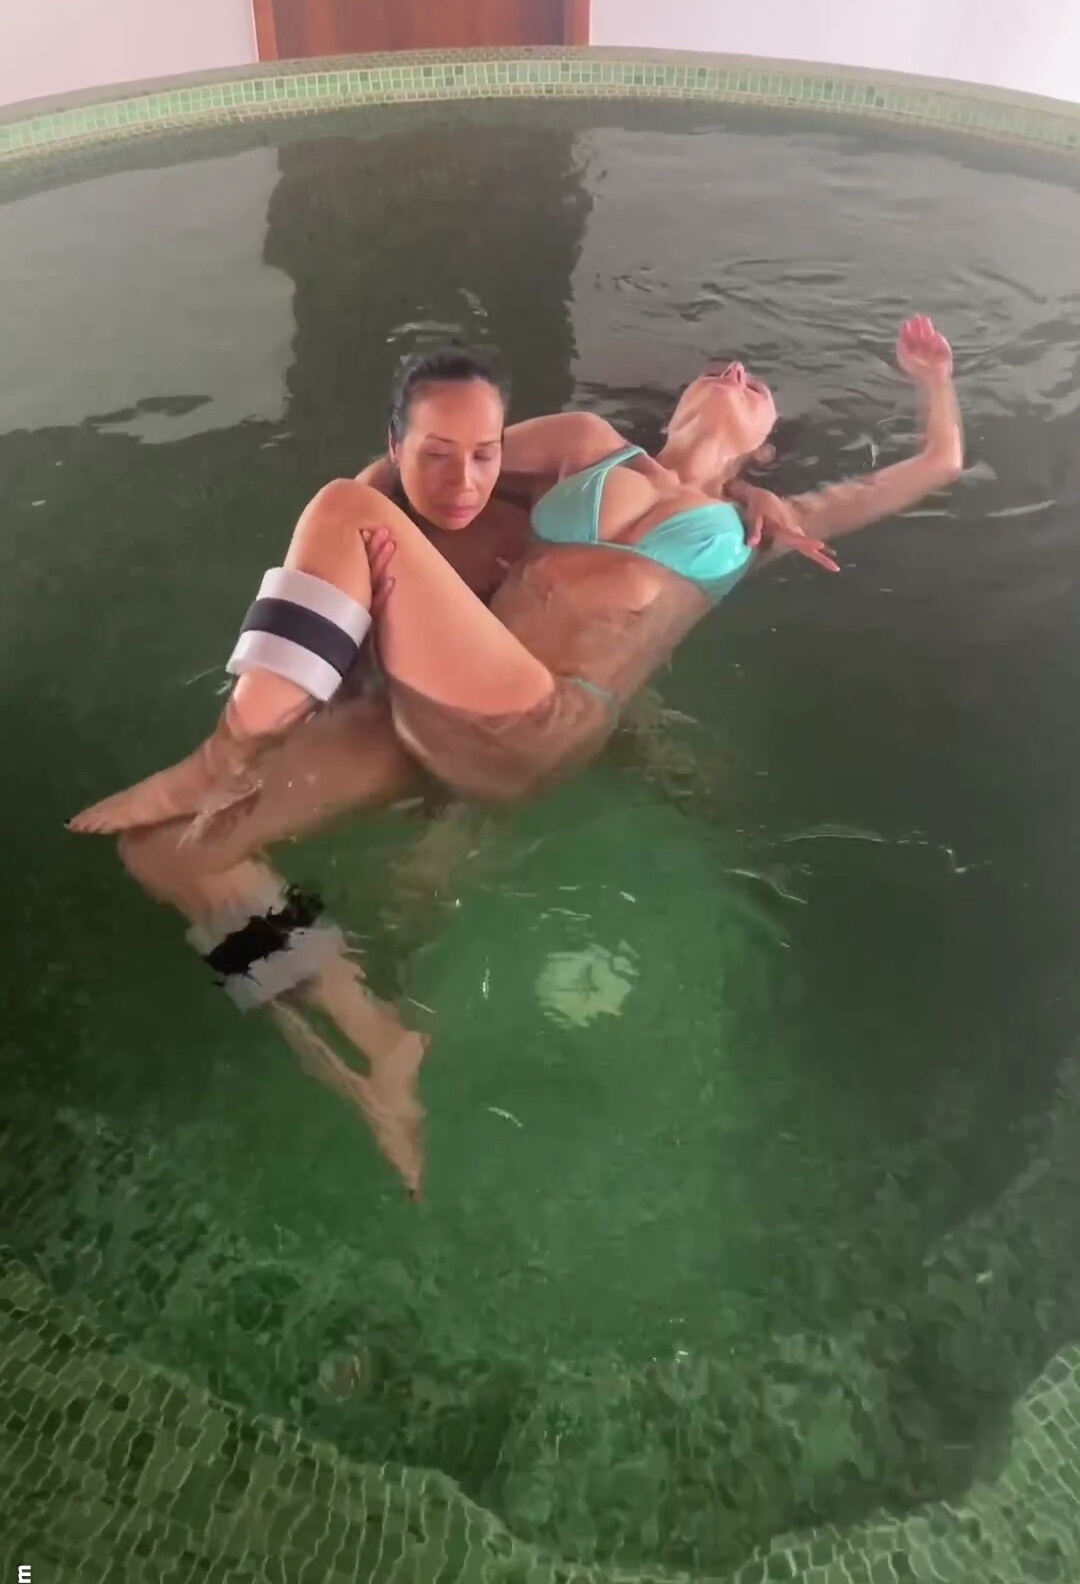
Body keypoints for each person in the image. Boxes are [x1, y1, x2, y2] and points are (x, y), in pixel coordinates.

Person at [69, 317, 963, 1196]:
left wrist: (933, 384)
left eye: (757, 386)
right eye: (720, 368)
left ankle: (228, 750)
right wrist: (363, 592)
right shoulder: (589, 445)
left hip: (539, 720)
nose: (735, 374)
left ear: (764, 448)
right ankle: (378, 1042)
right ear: (677, 404)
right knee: (169, 851)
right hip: (444, 704)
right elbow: (436, 465)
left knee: (347, 510)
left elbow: (936, 467)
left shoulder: (755, 529)